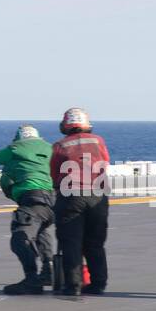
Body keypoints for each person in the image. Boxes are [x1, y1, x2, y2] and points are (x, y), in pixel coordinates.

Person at [0, 124, 56, 295]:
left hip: (31, 198)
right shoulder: (50, 148)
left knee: (19, 239)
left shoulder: (15, 148)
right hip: (52, 200)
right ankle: (49, 271)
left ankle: (31, 280)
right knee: (42, 232)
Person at [50, 107, 110, 297]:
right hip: (98, 196)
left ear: (65, 125)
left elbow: (54, 172)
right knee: (95, 242)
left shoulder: (60, 145)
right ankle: (98, 283)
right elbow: (105, 162)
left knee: (71, 242)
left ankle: (73, 286)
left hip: (71, 196)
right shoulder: (98, 140)